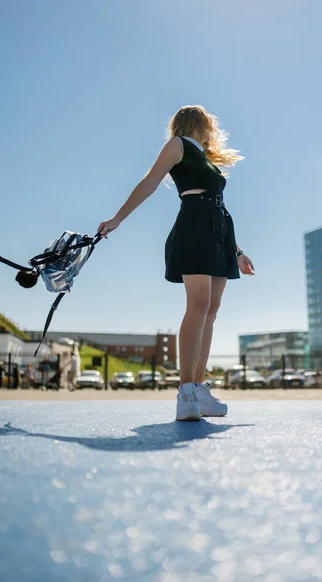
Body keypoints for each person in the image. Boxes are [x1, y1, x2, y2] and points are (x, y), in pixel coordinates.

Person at [97, 105, 254, 421]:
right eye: (210, 124)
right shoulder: (179, 145)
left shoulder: (206, 158)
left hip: (220, 232)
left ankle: (198, 387)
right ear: (200, 123)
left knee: (211, 309)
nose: (213, 130)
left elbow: (219, 207)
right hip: (194, 227)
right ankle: (185, 393)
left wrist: (237, 251)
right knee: (198, 305)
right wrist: (118, 218)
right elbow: (150, 183)